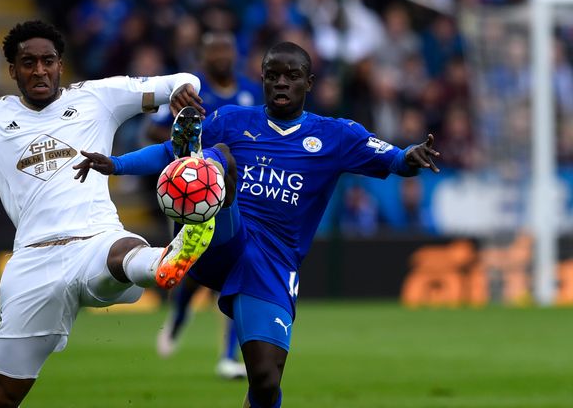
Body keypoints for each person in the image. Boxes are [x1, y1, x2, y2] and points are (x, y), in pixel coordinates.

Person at [74, 41, 440, 408]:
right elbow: (164, 153)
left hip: (273, 263)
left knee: (265, 381)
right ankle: (193, 213)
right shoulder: (232, 120)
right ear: (262, 80)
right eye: (272, 76)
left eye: (292, 76)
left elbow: (394, 160)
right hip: (224, 240)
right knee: (221, 159)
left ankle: (197, 192)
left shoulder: (337, 135)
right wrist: (116, 164)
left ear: (309, 83)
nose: (281, 83)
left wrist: (413, 154)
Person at [0, 14, 216, 408]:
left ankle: (170, 256)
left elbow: (183, 79)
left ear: (60, 64)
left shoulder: (97, 97)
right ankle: (162, 258)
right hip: (33, 262)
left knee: (122, 255)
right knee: (3, 397)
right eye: (29, 63)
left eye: (48, 60)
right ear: (13, 71)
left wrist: (182, 92)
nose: (40, 70)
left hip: (96, 241)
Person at [149, 31, 261, 380]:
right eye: (214, 51)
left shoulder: (251, 93)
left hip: (237, 195)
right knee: (194, 276)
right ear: (203, 57)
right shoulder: (192, 95)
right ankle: (178, 318)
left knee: (238, 274)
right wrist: (191, 152)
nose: (222, 56)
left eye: (227, 48)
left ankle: (228, 357)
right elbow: (153, 132)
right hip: (195, 195)